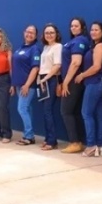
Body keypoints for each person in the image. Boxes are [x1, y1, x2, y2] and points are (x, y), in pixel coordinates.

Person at [75, 21, 102, 157]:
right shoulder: (97, 46)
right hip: (100, 83)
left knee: (86, 113)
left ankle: (91, 145)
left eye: (96, 30)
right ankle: (100, 146)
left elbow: (96, 67)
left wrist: (82, 75)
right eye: (92, 29)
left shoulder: (100, 46)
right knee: (100, 115)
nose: (93, 32)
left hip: (95, 82)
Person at [60, 17, 88, 154]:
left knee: (66, 111)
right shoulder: (72, 41)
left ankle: (74, 142)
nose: (73, 28)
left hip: (72, 82)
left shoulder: (80, 41)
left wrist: (66, 82)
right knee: (74, 112)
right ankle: (79, 142)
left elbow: (76, 62)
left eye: (76, 25)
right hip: (71, 81)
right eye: (72, 25)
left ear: (82, 27)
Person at [12, 25, 41, 146]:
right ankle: (28, 135)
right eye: (28, 32)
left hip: (28, 86)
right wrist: (13, 84)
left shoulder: (35, 49)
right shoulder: (20, 48)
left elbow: (35, 68)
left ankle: (29, 136)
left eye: (32, 33)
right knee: (27, 109)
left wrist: (27, 84)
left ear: (36, 36)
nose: (29, 34)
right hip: (19, 85)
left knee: (22, 108)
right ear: (24, 33)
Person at [37, 23, 62, 151]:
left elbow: (57, 65)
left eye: (52, 32)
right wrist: (40, 79)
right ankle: (48, 138)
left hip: (51, 79)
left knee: (48, 111)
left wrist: (46, 79)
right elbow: (42, 66)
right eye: (47, 33)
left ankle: (52, 141)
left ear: (56, 34)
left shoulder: (58, 47)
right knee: (46, 111)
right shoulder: (46, 47)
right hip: (43, 79)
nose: (49, 35)